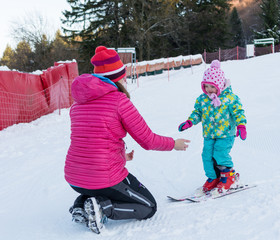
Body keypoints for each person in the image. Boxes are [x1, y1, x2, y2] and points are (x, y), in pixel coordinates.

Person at [65, 46, 190, 234]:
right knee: (149, 206)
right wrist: (174, 144)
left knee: (94, 184)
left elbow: (92, 142)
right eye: (123, 76)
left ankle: (80, 206)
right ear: (117, 78)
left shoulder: (78, 104)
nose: (126, 79)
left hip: (74, 178)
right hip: (103, 177)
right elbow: (147, 140)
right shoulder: (119, 101)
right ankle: (103, 208)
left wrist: (121, 156)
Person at [178, 60, 247, 197]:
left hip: (226, 134)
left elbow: (238, 113)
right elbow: (197, 113)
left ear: (220, 84)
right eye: (206, 86)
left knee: (220, 154)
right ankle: (214, 178)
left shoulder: (230, 98)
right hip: (209, 134)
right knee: (207, 156)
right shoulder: (203, 99)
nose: (209, 89)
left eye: (212, 86)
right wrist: (190, 122)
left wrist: (241, 126)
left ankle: (229, 177)